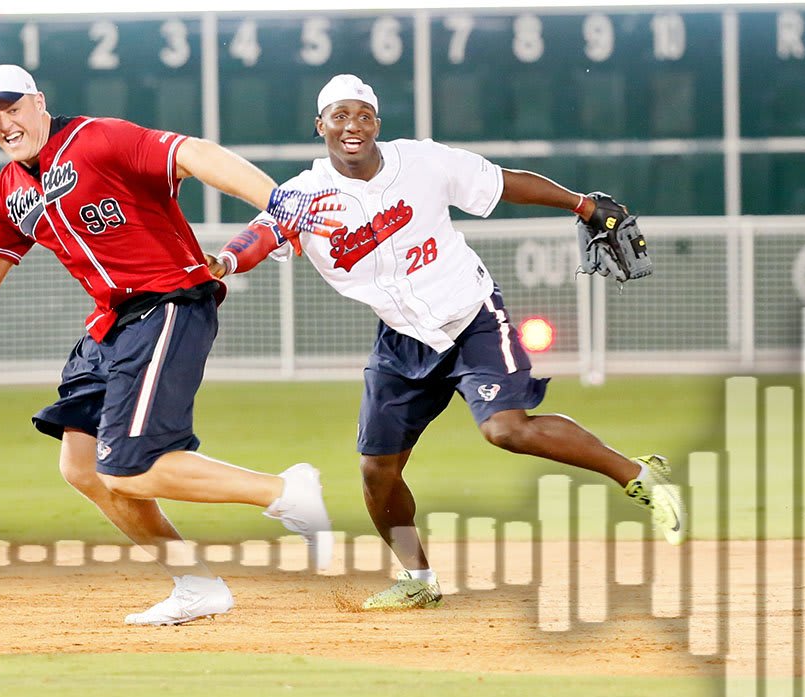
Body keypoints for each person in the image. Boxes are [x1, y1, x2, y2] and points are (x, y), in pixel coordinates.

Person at [0, 65, 339, 625]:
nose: (6, 123)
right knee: (82, 467)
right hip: (111, 323)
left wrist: (276, 197)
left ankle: (284, 490)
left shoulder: (99, 139)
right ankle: (196, 585)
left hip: (168, 303)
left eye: (14, 108)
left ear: (40, 102)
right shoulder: (5, 194)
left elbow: (194, 153)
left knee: (129, 468)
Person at [210, 74, 686, 610]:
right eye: (340, 115)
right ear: (320, 125)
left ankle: (641, 475)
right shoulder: (305, 195)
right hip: (401, 337)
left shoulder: (422, 163)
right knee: (376, 470)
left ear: (377, 126)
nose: (353, 126)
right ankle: (419, 579)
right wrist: (225, 263)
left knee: (506, 430)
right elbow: (263, 233)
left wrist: (581, 205)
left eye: (364, 115)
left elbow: (504, 182)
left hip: (472, 315)